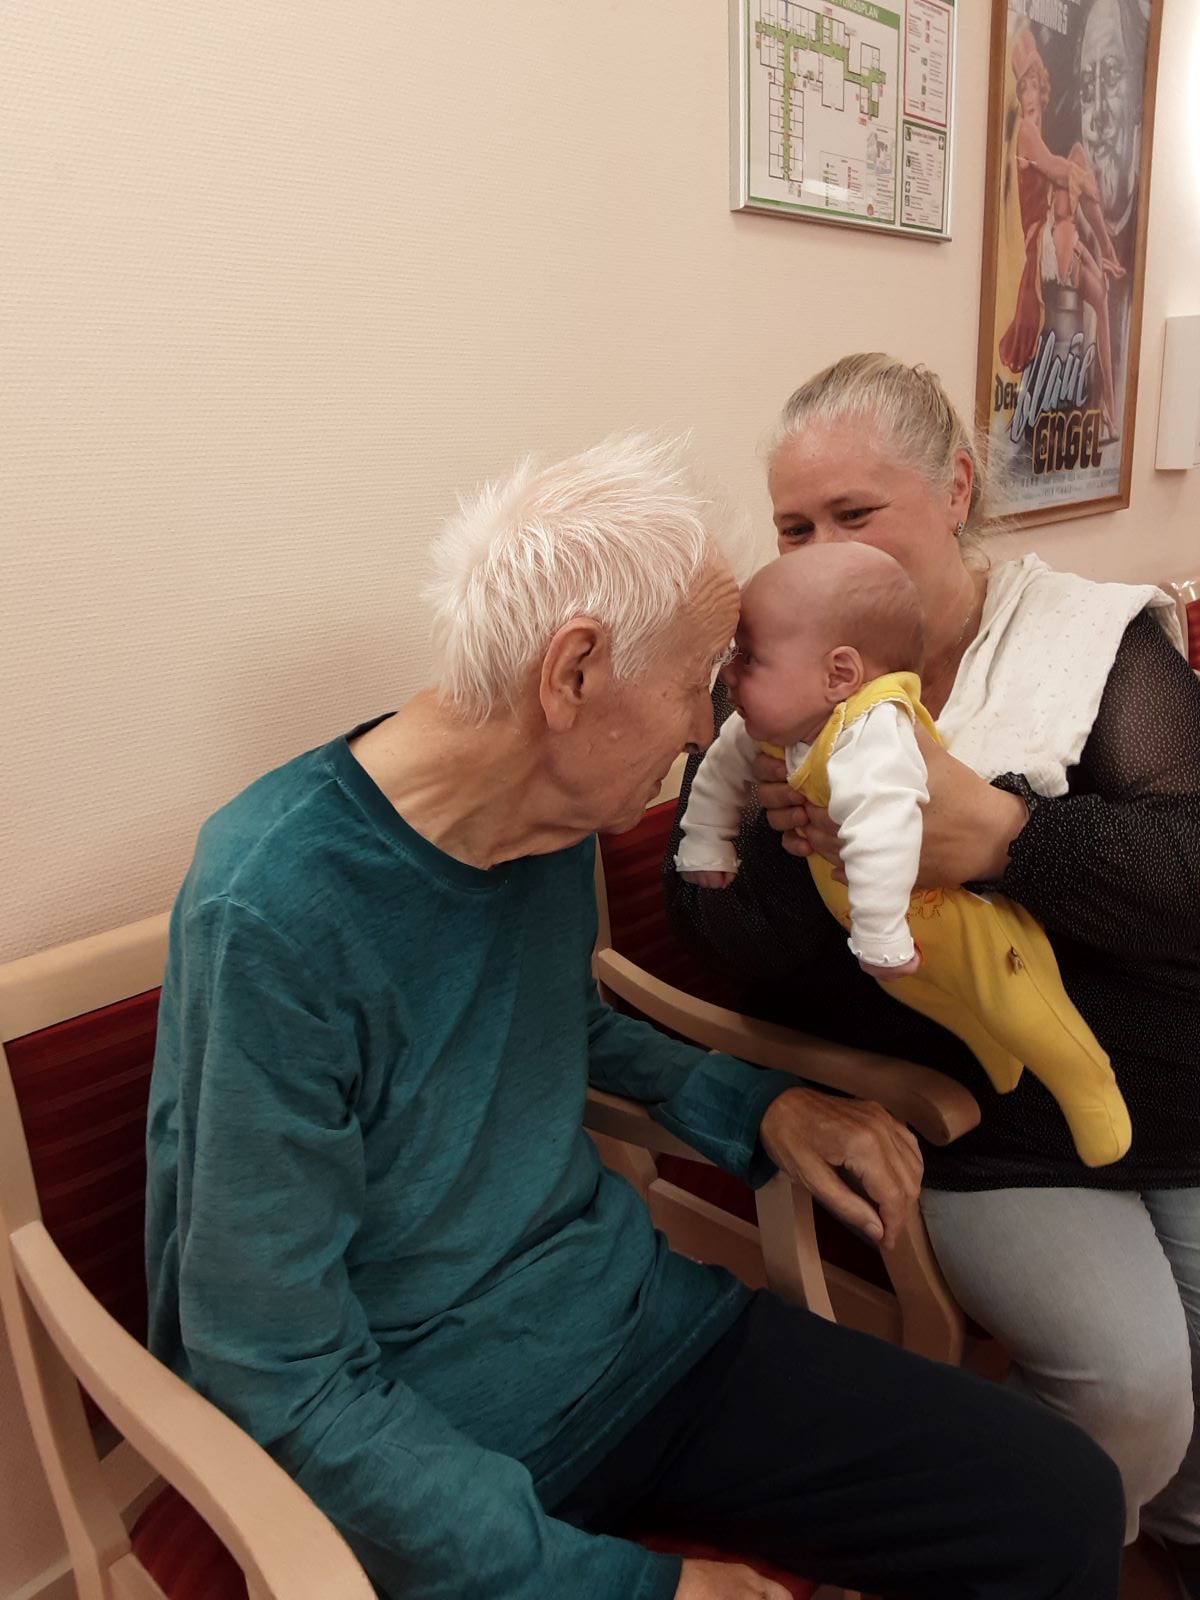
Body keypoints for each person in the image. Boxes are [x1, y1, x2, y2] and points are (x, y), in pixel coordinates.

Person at [145, 434, 1124, 1600]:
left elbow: (569, 1028)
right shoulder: (274, 903)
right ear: (573, 673)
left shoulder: (549, 816)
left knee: (1061, 1500)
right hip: (416, 1441)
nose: (702, 730)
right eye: (701, 678)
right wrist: (640, 1590)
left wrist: (761, 1107)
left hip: (635, 1331)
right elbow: (273, 1361)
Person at [664, 354, 1200, 1596]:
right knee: (1134, 1384)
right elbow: (718, 948)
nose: (821, 545)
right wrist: (804, 874)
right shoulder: (788, 684)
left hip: (1163, 1077)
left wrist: (1012, 838)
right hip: (971, 1109)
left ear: (956, 485)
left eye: (859, 513)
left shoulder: (1084, 645)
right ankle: (1036, 1557)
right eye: (796, 524)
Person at [673, 542, 1130, 1168]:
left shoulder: (872, 731)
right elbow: (720, 774)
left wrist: (881, 928)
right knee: (938, 1001)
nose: (729, 677)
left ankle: (1092, 1090)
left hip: (951, 915)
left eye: (749, 659)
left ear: (839, 674)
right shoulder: (774, 723)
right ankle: (999, 1057)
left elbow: (887, 830)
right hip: (876, 928)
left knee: (1021, 1007)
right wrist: (706, 839)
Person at [999, 23, 1125, 435]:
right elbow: (1063, 174)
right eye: (1028, 83)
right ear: (1023, 90)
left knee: (1103, 298)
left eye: (1036, 83)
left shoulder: (1039, 135)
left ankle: (1107, 395)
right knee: (1076, 164)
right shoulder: (1027, 136)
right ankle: (1106, 247)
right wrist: (1079, 179)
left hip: (1064, 231)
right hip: (1043, 239)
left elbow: (1069, 173)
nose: (1032, 91)